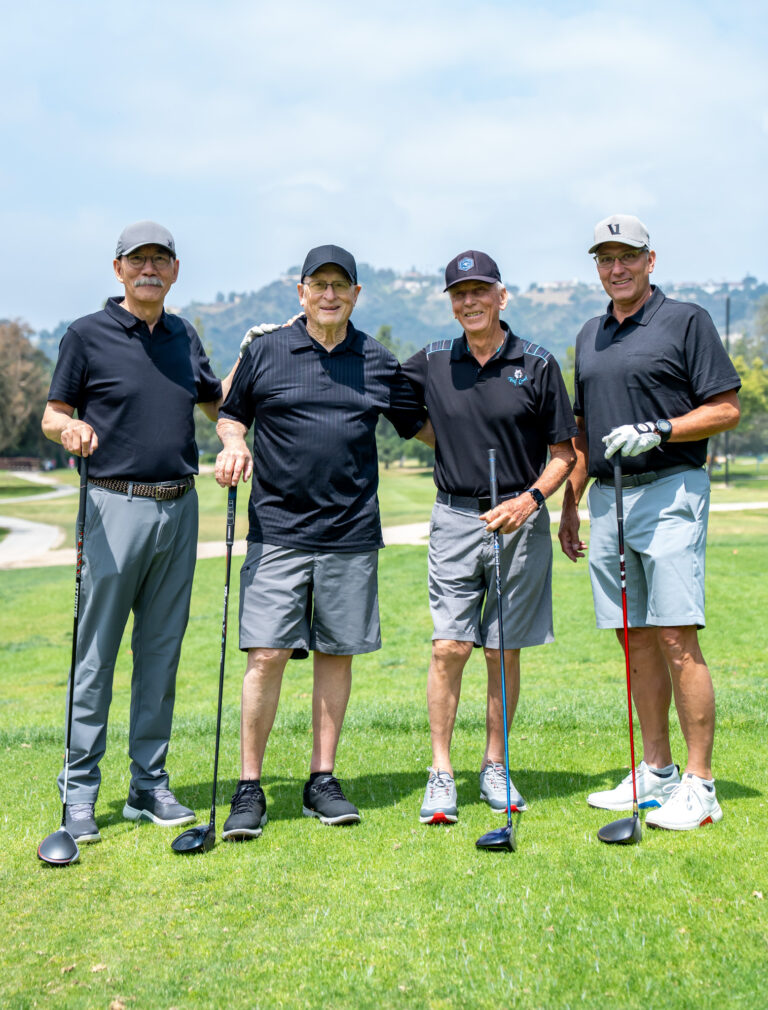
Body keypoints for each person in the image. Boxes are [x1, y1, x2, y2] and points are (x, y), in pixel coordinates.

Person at [214, 244, 428, 839]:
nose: (330, 294)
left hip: (350, 534)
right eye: (319, 284)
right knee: (266, 655)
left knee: (337, 654)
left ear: (357, 294)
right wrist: (234, 442)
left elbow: (425, 427)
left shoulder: (379, 361)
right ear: (301, 292)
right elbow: (230, 413)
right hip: (279, 532)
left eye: (341, 284)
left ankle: (321, 781)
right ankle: (249, 787)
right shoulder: (266, 351)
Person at [42, 220, 238, 844]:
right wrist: (66, 431)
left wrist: (256, 365)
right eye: (138, 260)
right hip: (112, 505)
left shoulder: (184, 335)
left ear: (175, 271)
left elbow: (217, 402)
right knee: (95, 654)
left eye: (161, 260)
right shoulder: (86, 334)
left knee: (161, 651)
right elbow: (54, 412)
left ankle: (147, 784)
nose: (149, 269)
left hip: (180, 507)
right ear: (119, 268)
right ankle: (79, 788)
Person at [558, 214, 741, 831]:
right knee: (632, 638)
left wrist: (661, 428)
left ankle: (701, 785)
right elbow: (582, 432)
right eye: (605, 259)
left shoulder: (686, 320)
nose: (617, 268)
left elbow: (725, 409)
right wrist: (569, 501)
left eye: (627, 257)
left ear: (650, 259)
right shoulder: (589, 334)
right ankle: (656, 772)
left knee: (675, 636)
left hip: (670, 489)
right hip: (608, 499)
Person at [402, 250, 577, 824]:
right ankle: (441, 772)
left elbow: (562, 454)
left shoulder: (540, 363)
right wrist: (448, 443)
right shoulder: (430, 360)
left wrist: (530, 500)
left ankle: (495, 765)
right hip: (455, 519)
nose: (470, 302)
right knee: (449, 645)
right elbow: (393, 402)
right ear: (451, 303)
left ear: (502, 297)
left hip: (520, 517)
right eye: (459, 294)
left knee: (501, 651)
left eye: (480, 291)